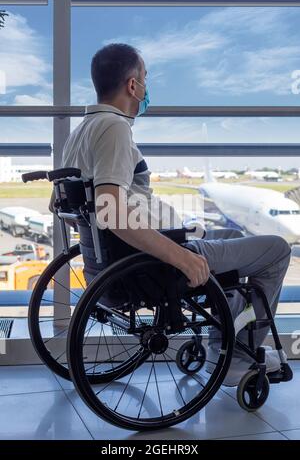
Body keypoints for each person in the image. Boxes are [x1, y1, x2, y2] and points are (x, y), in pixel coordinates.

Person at [54, 43, 291, 386]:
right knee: (276, 250)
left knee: (228, 241)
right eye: (146, 79)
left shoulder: (78, 134)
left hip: (119, 259)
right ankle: (235, 354)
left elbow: (68, 209)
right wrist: (180, 256)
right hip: (151, 260)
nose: (147, 88)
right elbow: (110, 210)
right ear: (133, 85)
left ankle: (222, 334)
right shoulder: (113, 129)